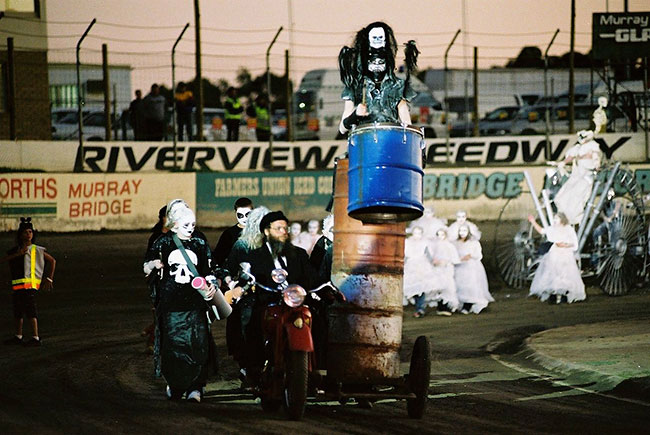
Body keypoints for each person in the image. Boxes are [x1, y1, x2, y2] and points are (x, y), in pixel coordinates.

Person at [144, 202, 216, 403]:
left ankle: (196, 387)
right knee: (173, 346)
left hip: (195, 304)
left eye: (192, 223)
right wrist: (153, 265)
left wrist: (211, 284)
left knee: (198, 344)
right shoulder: (161, 243)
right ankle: (176, 385)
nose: (191, 228)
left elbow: (209, 270)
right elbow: (146, 267)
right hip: (171, 305)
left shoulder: (200, 243)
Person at [234, 211, 318, 381]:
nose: (283, 232)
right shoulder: (256, 256)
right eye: (278, 228)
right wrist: (243, 285)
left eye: (285, 228)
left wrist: (320, 289)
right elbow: (247, 276)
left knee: (319, 318)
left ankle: (317, 368)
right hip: (268, 303)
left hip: (296, 305)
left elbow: (312, 278)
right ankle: (255, 369)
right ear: (266, 231)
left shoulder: (299, 254)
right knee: (251, 323)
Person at [338, 21, 419, 135]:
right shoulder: (355, 86)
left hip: (390, 142)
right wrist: (355, 115)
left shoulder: (398, 86)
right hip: (363, 142)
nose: (377, 64)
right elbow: (342, 128)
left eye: (381, 61)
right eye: (373, 61)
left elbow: (407, 125)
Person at [222, 206, 269, 379]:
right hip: (249, 296)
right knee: (249, 331)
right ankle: (250, 368)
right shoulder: (241, 245)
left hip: (270, 294)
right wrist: (231, 282)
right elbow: (227, 268)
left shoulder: (273, 244)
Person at [1, 217, 56, 347]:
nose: (28, 234)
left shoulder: (37, 250)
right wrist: (18, 254)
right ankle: (18, 336)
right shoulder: (15, 251)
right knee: (18, 310)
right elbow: (3, 259)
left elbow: (53, 261)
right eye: (26, 232)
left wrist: (49, 278)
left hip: (30, 286)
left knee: (30, 310)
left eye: (30, 232)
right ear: (20, 235)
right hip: (18, 286)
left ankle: (35, 337)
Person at [528, 213, 586, 304]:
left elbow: (574, 243)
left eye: (557, 218)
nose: (555, 220)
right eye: (554, 218)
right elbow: (542, 231)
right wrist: (533, 222)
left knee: (565, 275)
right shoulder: (552, 229)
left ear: (562, 220)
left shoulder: (569, 229)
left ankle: (564, 295)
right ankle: (553, 296)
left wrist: (566, 245)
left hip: (566, 254)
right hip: (555, 253)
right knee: (553, 274)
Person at [553, 130, 602, 225]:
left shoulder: (592, 145)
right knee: (564, 195)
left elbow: (596, 157)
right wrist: (563, 162)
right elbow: (571, 156)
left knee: (577, 197)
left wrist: (596, 164)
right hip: (576, 175)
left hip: (586, 176)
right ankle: (565, 219)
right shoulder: (577, 147)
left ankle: (576, 219)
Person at [453, 224, 493, 314]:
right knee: (459, 285)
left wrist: (470, 256)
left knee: (470, 285)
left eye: (464, 231)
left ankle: (468, 304)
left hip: (470, 267)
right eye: (460, 231)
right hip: (459, 266)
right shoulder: (456, 243)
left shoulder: (474, 243)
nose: (462, 233)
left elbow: (479, 255)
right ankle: (460, 304)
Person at [425, 227, 461, 316]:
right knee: (438, 286)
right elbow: (430, 256)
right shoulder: (434, 246)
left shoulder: (450, 246)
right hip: (438, 269)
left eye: (442, 234)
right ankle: (440, 306)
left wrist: (445, 262)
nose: (440, 237)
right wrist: (433, 261)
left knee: (448, 286)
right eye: (438, 235)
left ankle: (447, 305)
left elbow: (455, 259)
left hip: (447, 268)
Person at [403, 226, 436, 317]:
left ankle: (420, 308)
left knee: (421, 288)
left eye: (419, 233)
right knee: (411, 287)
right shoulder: (408, 242)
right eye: (415, 233)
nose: (417, 235)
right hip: (410, 265)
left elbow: (428, 254)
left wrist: (432, 264)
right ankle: (415, 305)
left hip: (422, 266)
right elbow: (405, 255)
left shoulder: (424, 243)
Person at [212, 197, 253, 268]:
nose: (244, 218)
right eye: (240, 215)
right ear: (235, 212)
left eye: (247, 214)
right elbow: (218, 257)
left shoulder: (259, 231)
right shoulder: (228, 234)